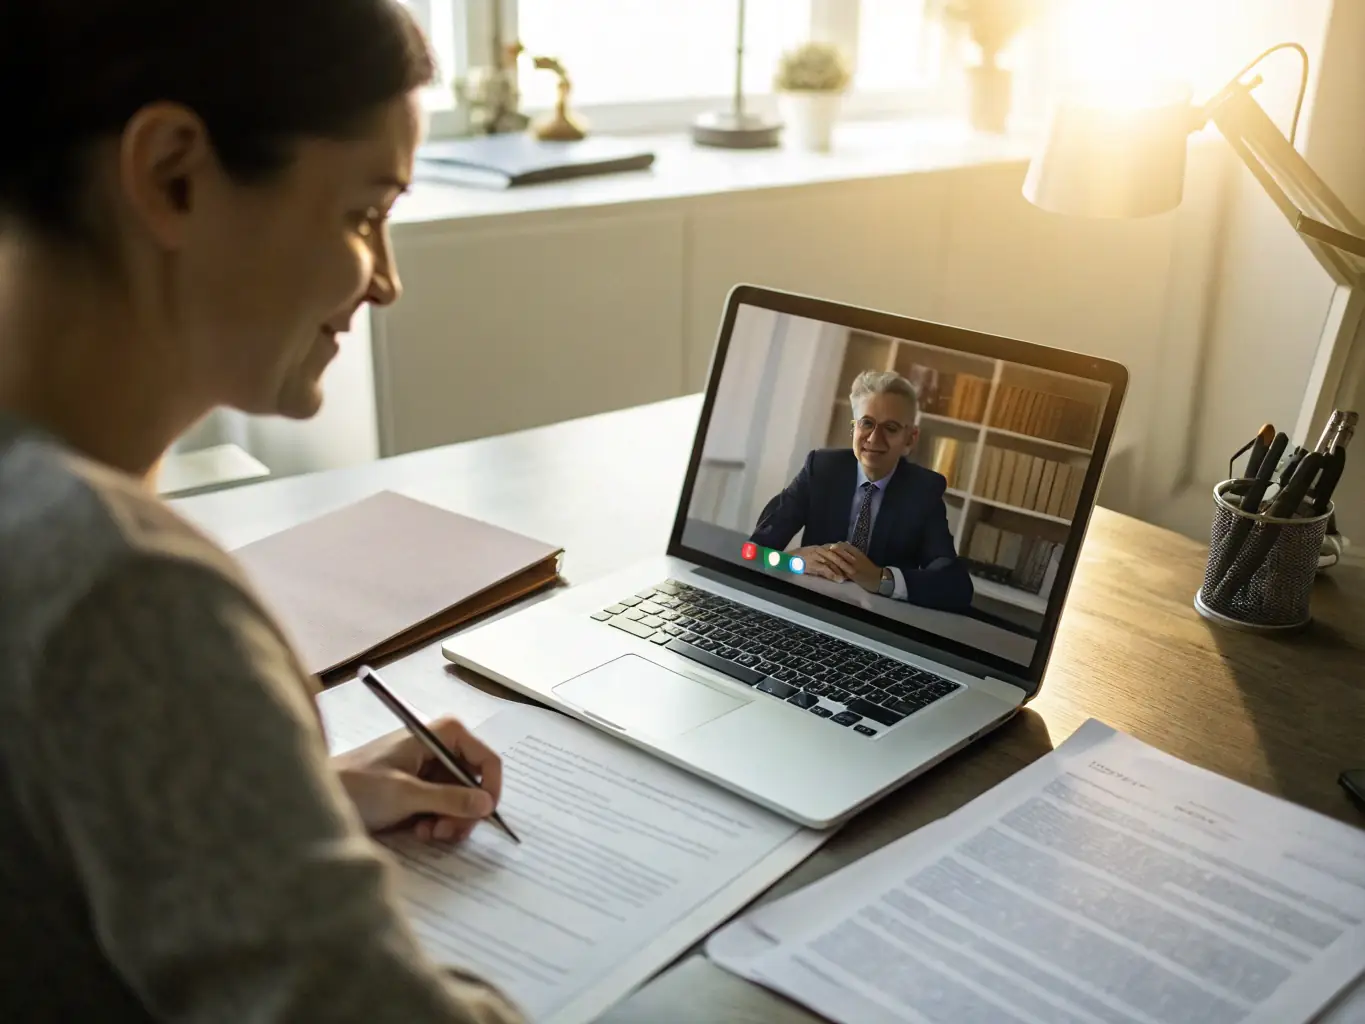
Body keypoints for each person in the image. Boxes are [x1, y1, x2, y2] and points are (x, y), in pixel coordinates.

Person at [0, 2, 522, 1021]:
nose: (388, 282)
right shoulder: (120, 589)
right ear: (173, 176)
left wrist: (281, 798)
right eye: (363, 213)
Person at [750, 370, 974, 611]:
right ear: (854, 428)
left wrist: (881, 579)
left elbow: (956, 585)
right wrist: (791, 561)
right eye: (867, 423)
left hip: (878, 623)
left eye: (890, 427)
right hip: (809, 609)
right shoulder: (820, 469)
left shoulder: (923, 491)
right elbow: (753, 551)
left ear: (910, 439)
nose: (875, 438)